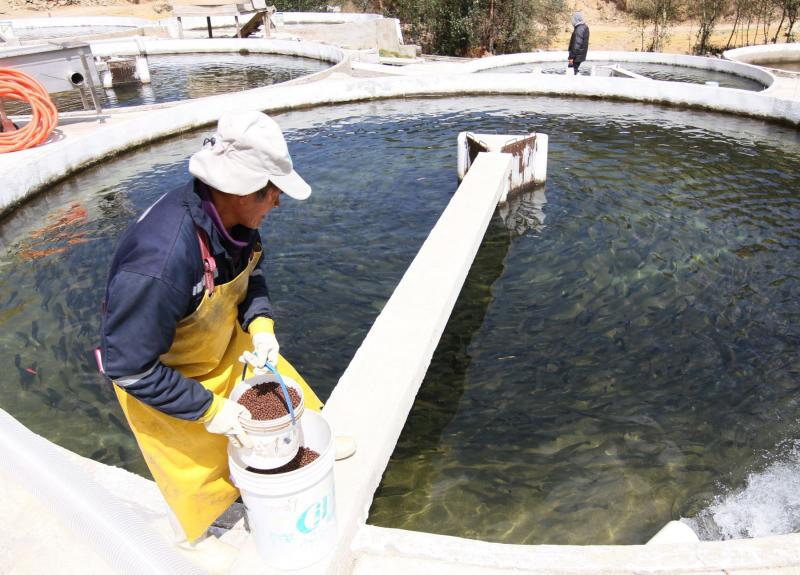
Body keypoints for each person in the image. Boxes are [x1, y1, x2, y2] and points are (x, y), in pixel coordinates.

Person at [99, 110, 352, 566]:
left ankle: (299, 446)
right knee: (197, 477)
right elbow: (129, 367)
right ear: (243, 189)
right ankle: (194, 537)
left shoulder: (236, 223)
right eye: (273, 193)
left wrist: (261, 326)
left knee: (294, 413)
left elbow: (251, 277)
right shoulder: (160, 263)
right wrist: (210, 410)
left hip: (225, 348)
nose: (277, 203)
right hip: (168, 373)